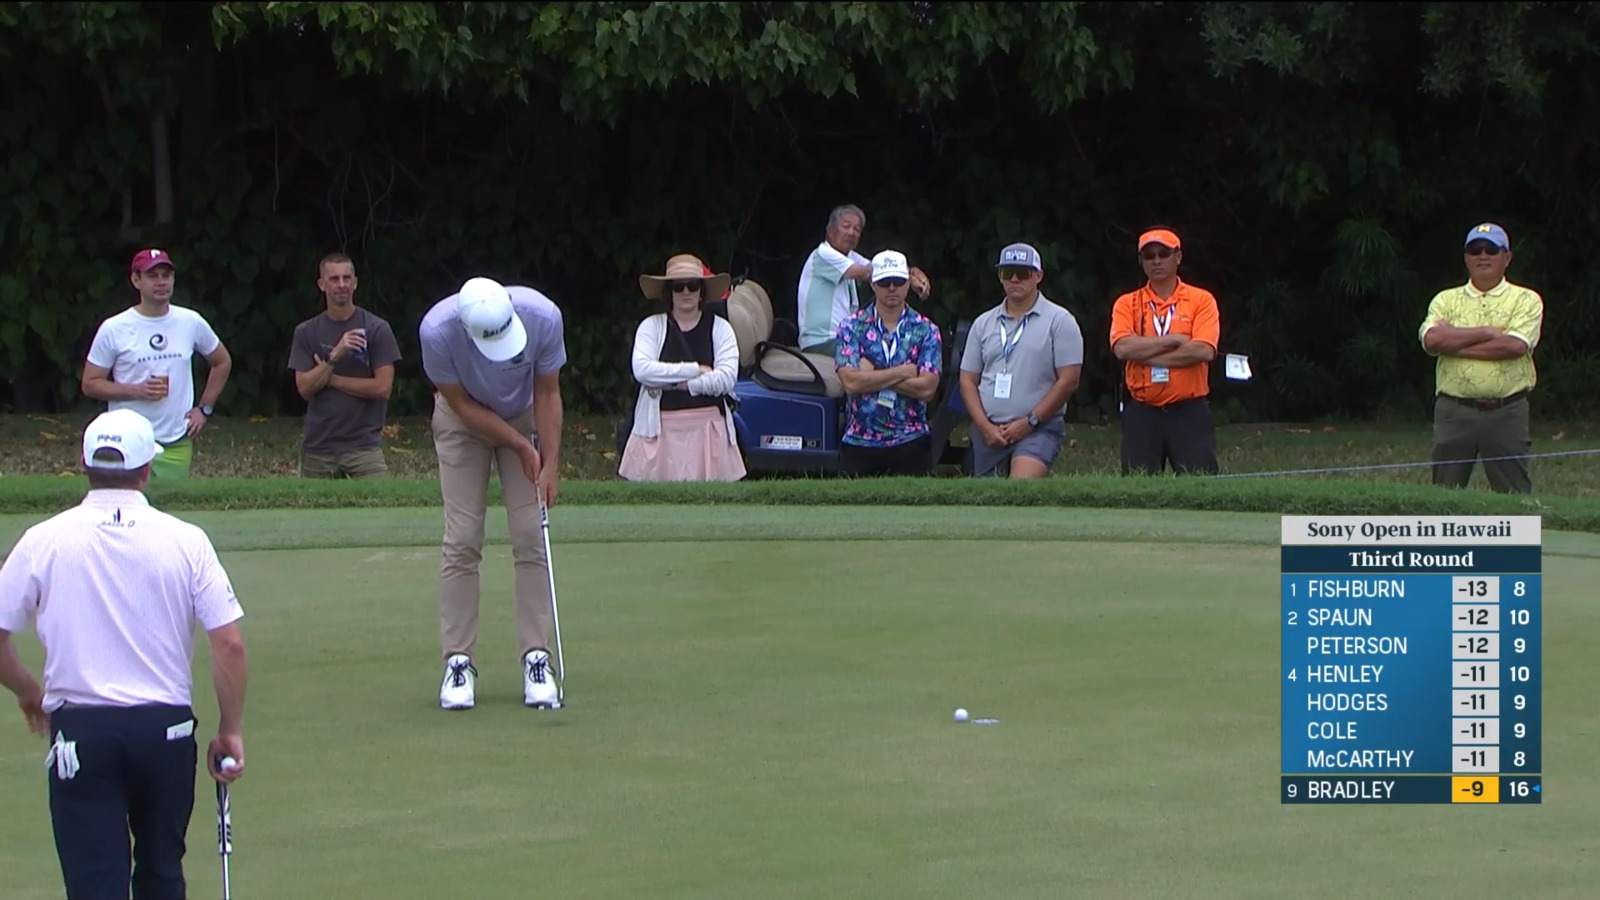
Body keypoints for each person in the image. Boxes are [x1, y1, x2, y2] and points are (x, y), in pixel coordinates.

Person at [0, 408, 247, 899]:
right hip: (167, 734)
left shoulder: (42, 540)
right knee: (160, 874)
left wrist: (30, 692)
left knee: (95, 886)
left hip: (82, 734)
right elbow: (229, 644)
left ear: (85, 466)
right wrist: (230, 730)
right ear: (146, 469)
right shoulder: (187, 541)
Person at [419, 276, 566, 710]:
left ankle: (537, 658)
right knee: (463, 538)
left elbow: (548, 390)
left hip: (524, 414)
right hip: (462, 425)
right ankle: (458, 662)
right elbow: (462, 406)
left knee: (529, 533)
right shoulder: (437, 332)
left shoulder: (542, 316)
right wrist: (520, 446)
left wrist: (551, 463)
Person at [82, 248, 233, 478]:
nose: (161, 282)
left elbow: (221, 361)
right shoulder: (114, 328)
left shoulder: (190, 321)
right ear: (136, 280)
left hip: (176, 439)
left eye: (166, 275)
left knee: (172, 505)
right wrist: (136, 390)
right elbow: (90, 383)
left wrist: (204, 409)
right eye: (153, 276)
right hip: (128, 440)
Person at [1418, 222, 1544, 493]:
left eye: (1491, 249)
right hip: (1453, 411)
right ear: (1466, 257)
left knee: (1514, 495)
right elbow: (1432, 340)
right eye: (1475, 250)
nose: (1483, 256)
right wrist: (1486, 332)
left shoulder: (1526, 299)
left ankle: (1517, 537)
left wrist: (1455, 344)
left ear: (1507, 257)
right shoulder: (1445, 300)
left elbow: (1514, 346)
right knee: (1444, 494)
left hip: (1507, 411)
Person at [958, 242, 1083, 478]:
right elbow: (967, 379)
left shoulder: (1060, 320)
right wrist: (985, 426)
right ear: (1000, 277)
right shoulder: (984, 323)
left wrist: (1030, 421)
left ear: (1038, 276)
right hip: (990, 428)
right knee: (985, 499)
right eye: (1007, 273)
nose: (1015, 279)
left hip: (1039, 427)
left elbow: (1069, 380)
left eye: (1023, 273)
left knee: (1021, 484)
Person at [619, 254, 746, 482]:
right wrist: (696, 370)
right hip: (658, 431)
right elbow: (643, 371)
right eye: (679, 287)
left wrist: (678, 384)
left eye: (693, 285)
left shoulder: (721, 328)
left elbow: (726, 378)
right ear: (669, 292)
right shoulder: (651, 327)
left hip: (709, 432)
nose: (686, 292)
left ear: (702, 291)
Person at [1108, 228, 1222, 475]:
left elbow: (1203, 350)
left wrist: (1144, 355)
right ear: (1141, 261)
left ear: (1178, 257)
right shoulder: (1127, 303)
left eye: (1164, 253)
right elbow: (1122, 347)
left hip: (1189, 408)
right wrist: (1174, 340)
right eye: (1149, 255)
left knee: (1199, 483)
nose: (1157, 260)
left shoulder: (1201, 300)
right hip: (1142, 409)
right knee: (1137, 486)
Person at [287, 252, 402, 478]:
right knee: (311, 511)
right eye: (334, 279)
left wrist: (330, 379)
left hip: (364, 447)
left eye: (346, 278)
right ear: (322, 284)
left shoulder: (377, 328)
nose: (341, 285)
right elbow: (304, 388)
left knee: (381, 506)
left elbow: (382, 388)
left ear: (355, 282)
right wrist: (334, 356)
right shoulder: (306, 332)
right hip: (318, 447)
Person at [834, 250, 943, 475]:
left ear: (907, 284)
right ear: (873, 284)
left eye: (898, 281)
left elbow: (927, 389)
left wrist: (873, 373)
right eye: (884, 282)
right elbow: (851, 383)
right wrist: (904, 372)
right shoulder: (851, 326)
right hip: (859, 441)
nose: (892, 288)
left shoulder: (926, 329)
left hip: (911, 440)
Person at [796, 205, 931, 355]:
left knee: (895, 346)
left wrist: (912, 272)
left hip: (843, 337)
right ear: (830, 230)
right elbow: (869, 273)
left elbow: (880, 269)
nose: (851, 232)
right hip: (823, 341)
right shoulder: (824, 254)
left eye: (857, 229)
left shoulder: (850, 256)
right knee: (886, 355)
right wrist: (909, 277)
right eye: (846, 226)